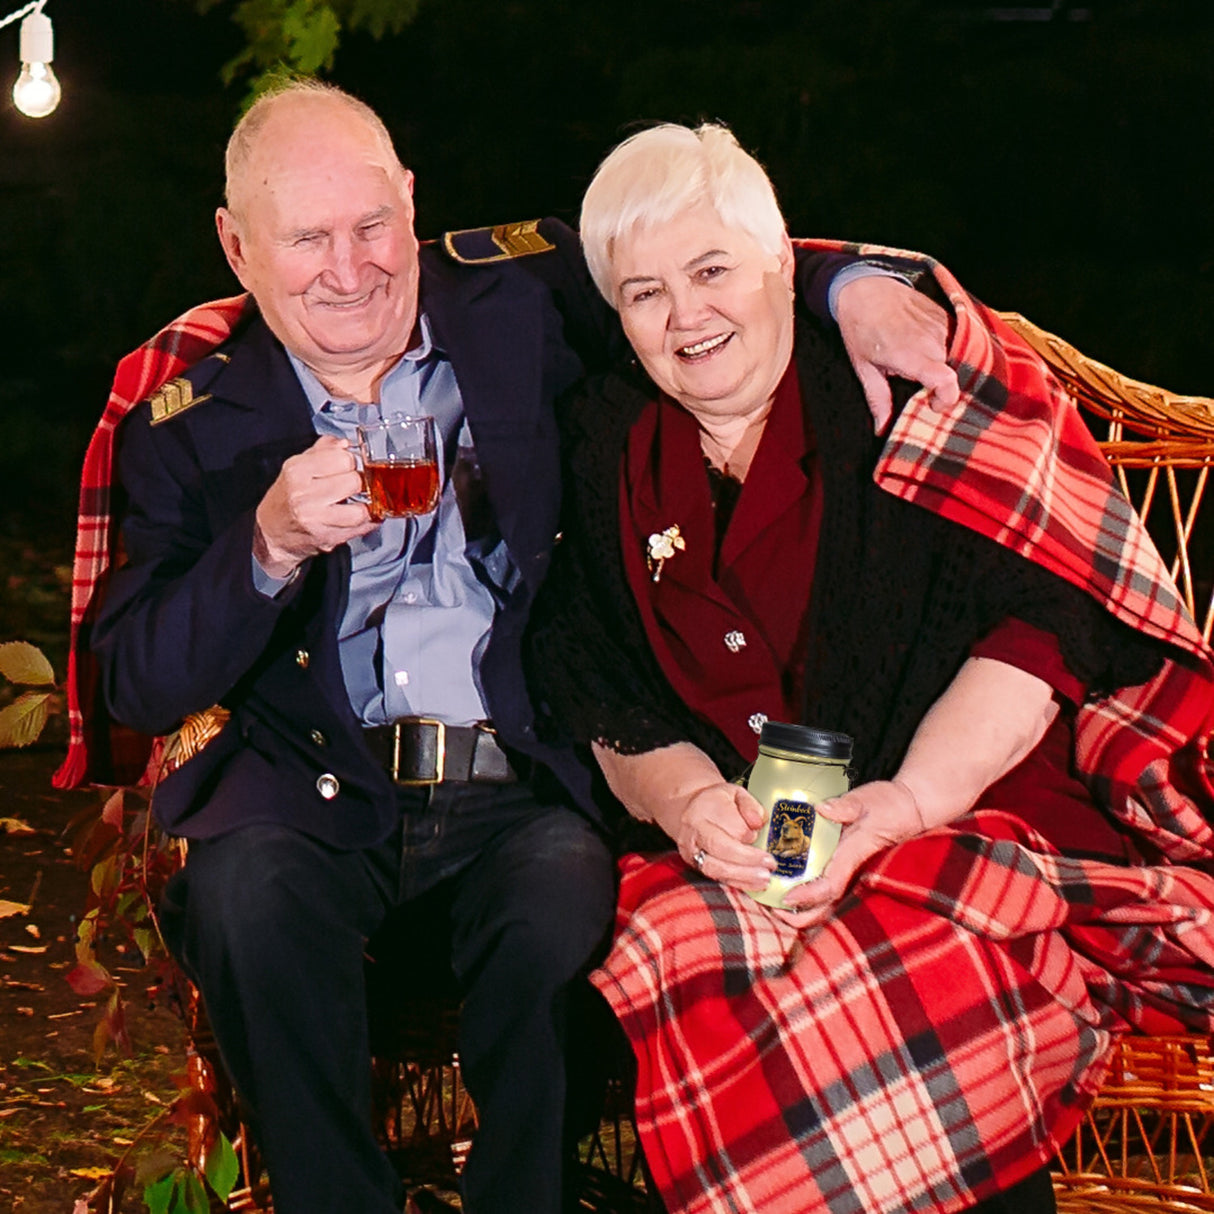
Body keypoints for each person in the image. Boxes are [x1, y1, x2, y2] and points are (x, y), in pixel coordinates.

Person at [64, 83, 959, 1214]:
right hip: (305, 789)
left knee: (557, 903)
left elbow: (696, 258)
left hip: (514, 782)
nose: (350, 269)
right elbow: (134, 676)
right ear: (237, 247)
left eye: (370, 225)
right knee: (247, 900)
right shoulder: (189, 421)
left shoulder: (515, 300)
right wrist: (266, 545)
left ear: (409, 200)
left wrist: (853, 285)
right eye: (305, 240)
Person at [525, 122, 1214, 1214]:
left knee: (925, 955)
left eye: (711, 270)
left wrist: (907, 802)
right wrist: (694, 803)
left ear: (778, 266)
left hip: (949, 799)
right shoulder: (599, 436)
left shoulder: (898, 392)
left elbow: (1039, 623)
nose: (685, 314)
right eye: (643, 291)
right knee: (681, 947)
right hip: (735, 852)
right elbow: (585, 667)